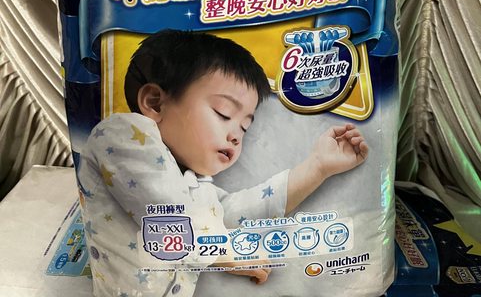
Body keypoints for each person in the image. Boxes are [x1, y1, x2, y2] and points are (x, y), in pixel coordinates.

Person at [78, 29, 368, 297]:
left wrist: (317, 168)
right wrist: (226, 253)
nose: (235, 136)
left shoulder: (193, 181)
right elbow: (165, 211)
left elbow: (235, 212)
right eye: (223, 113)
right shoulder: (123, 134)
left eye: (244, 128)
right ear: (155, 102)